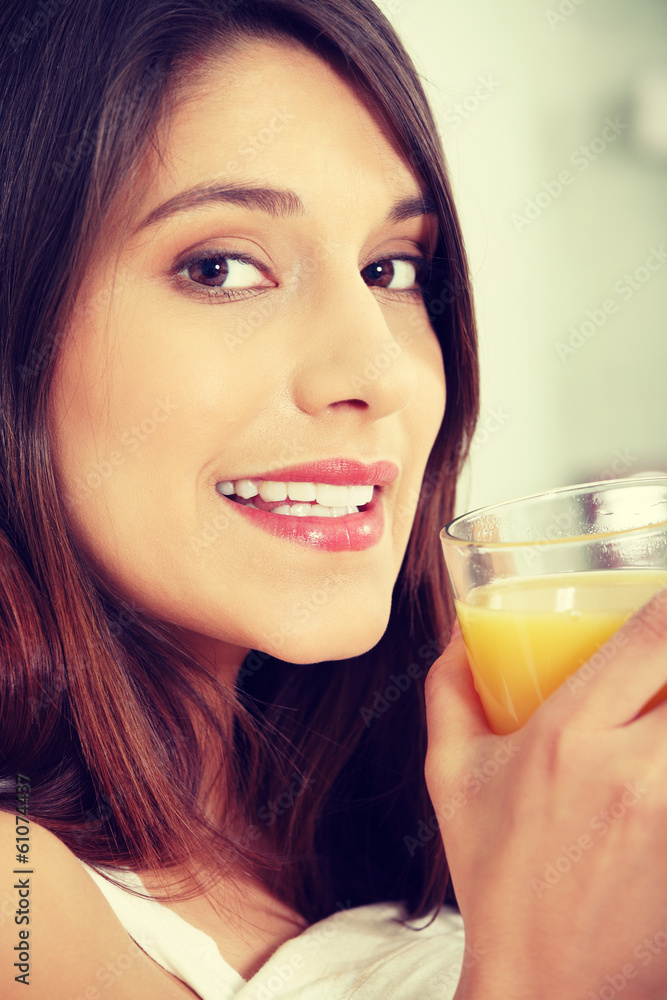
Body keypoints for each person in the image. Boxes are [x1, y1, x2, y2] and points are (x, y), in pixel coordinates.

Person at [0, 1, 666, 998]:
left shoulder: (421, 829)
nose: (379, 370)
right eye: (222, 267)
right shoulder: (18, 896)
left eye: (391, 269)